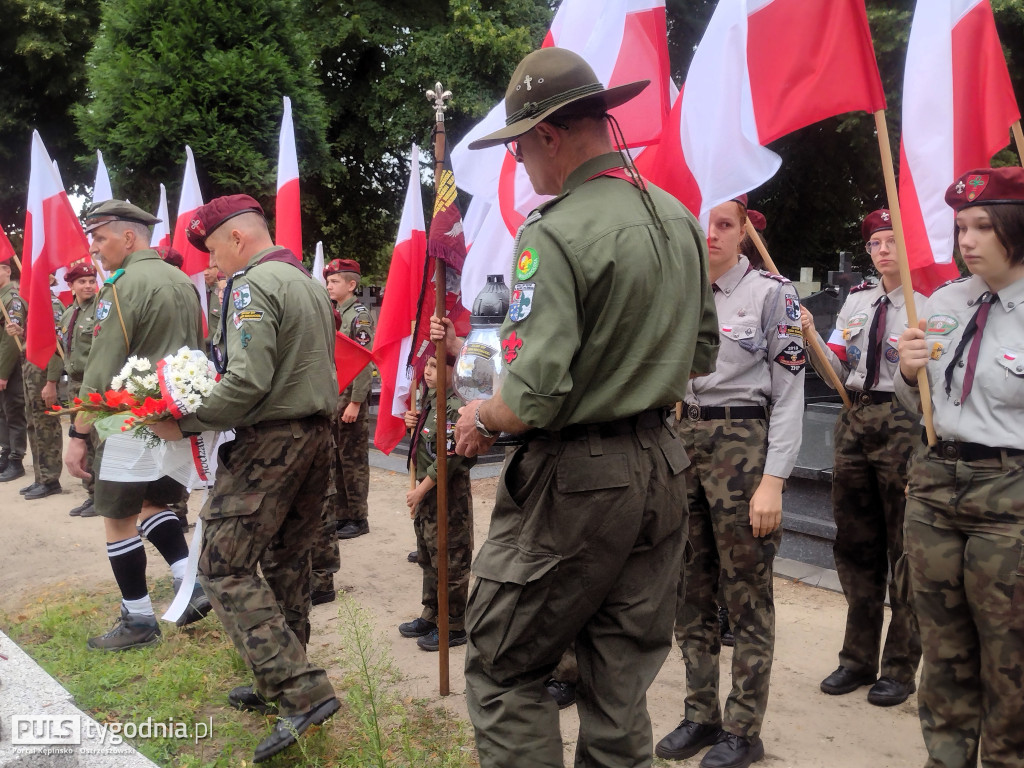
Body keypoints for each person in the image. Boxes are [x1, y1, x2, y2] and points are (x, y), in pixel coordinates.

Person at [454, 47, 719, 767]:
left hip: (576, 480)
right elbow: (701, 355)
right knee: (618, 685)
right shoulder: (678, 219)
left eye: (517, 150)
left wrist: (480, 416)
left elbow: (534, 394)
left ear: (547, 134)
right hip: (661, 466)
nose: (518, 166)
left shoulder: (555, 231)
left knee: (504, 667)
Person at [152, 194, 340, 764]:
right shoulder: (304, 279)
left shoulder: (251, 285)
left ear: (236, 239)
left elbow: (247, 381)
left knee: (221, 564)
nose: (213, 265)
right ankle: (280, 678)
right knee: (287, 558)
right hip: (314, 438)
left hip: (271, 443)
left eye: (213, 251)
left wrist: (179, 419)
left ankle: (300, 692)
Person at [657, 197, 805, 768]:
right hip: (682, 443)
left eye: (724, 225)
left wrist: (775, 480)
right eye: (704, 225)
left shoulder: (773, 295)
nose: (712, 234)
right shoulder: (681, 290)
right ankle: (700, 715)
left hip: (744, 446)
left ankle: (744, 727)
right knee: (688, 590)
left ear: (743, 232)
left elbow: (790, 396)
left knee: (746, 593)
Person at [895, 166, 1024, 768]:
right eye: (960, 227)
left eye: (982, 226)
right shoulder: (944, 302)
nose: (965, 240)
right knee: (942, 650)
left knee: (1010, 658)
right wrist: (905, 374)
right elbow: (919, 405)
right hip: (934, 490)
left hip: (1011, 499)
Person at [63, 200, 211, 651]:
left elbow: (101, 369)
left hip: (126, 417)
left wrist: (78, 434)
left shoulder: (122, 286)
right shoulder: (180, 280)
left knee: (116, 517)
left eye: (100, 238)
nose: (94, 249)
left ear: (129, 238)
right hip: (172, 415)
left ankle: (139, 619)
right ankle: (191, 584)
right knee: (152, 504)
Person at [801, 209, 922, 707]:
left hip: (906, 422)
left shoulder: (930, 303)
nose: (883, 250)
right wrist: (809, 335)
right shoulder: (857, 301)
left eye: (893, 240)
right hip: (855, 417)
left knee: (906, 548)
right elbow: (835, 366)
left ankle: (899, 666)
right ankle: (857, 658)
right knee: (854, 544)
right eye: (875, 242)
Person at [399, 353, 475, 652]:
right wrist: (411, 425)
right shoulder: (430, 400)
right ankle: (432, 614)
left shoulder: (455, 406)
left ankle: (454, 624)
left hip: (448, 494)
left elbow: (451, 457)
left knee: (450, 558)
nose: (427, 372)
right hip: (428, 492)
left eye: (435, 366)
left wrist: (420, 491)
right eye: (426, 365)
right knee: (428, 555)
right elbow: (428, 445)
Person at [325, 257, 375, 540]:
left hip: (350, 400)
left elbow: (364, 361)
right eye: (329, 281)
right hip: (336, 397)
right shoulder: (335, 313)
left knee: (353, 460)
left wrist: (356, 401)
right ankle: (341, 514)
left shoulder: (359, 316)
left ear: (351, 284)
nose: (329, 286)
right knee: (337, 459)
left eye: (334, 282)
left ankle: (358, 517)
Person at [58, 260, 99, 516]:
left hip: (93, 385)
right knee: (81, 440)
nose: (87, 285)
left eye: (91, 281)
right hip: (74, 385)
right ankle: (91, 492)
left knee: (96, 441)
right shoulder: (67, 313)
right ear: (71, 285)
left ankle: (102, 497)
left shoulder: (100, 310)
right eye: (82, 282)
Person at [16, 286, 65, 499]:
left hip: (44, 375)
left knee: (46, 425)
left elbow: (56, 345)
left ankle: (50, 479)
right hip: (31, 373)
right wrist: (20, 333)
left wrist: (51, 381)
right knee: (33, 425)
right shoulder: (35, 305)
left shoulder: (51, 305)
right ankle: (40, 477)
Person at [0, 258, 28, 482]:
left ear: (7, 270)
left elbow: (10, 341)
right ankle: (6, 454)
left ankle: (16, 459)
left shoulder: (12, 299)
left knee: (13, 412)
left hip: (10, 367)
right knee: (2, 413)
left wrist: (2, 373)